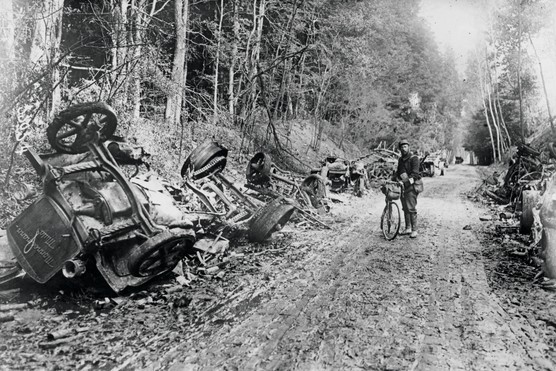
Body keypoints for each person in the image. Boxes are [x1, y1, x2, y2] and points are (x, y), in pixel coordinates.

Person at [394, 139, 421, 238]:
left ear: (409, 147)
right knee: (405, 207)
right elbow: (398, 172)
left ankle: (414, 230)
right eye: (401, 147)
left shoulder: (414, 158)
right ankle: (408, 228)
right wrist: (395, 179)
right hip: (403, 186)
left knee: (411, 207)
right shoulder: (401, 159)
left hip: (412, 185)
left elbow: (415, 174)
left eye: (405, 146)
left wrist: (404, 182)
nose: (403, 148)